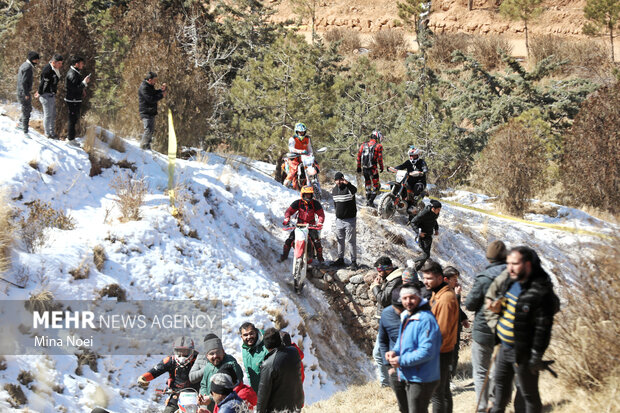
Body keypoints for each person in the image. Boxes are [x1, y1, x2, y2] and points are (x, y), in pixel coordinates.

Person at [487, 247, 560, 413]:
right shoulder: (512, 281)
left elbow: (543, 329)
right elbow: (511, 310)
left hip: (523, 352)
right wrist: (498, 308)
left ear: (527, 265)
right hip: (504, 348)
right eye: (508, 263)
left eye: (515, 264)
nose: (510, 268)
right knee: (499, 393)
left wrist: (535, 356)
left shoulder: (540, 290)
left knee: (529, 397)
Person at [464, 240, 507, 413]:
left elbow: (470, 304)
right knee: (500, 370)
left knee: (481, 371)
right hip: (507, 330)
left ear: (489, 258)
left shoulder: (484, 277)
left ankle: (482, 408)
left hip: (484, 331)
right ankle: (497, 405)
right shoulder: (516, 276)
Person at [385, 283, 442, 413]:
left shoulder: (426, 319)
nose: (408, 301)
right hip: (411, 374)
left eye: (412, 297)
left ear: (419, 297)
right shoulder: (407, 316)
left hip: (423, 376)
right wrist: (394, 351)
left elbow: (426, 351)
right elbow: (402, 341)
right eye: (404, 298)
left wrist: (401, 360)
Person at [421, 260, 459, 413]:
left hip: (439, 352)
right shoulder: (437, 294)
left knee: (437, 394)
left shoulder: (445, 299)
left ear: (439, 278)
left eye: (429, 278)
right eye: (424, 278)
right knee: (443, 391)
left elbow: (441, 332)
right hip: (439, 351)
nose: (425, 282)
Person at [137, 336, 199, 413]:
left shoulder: (200, 359)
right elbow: (156, 370)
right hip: (176, 394)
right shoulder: (170, 360)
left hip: (198, 395)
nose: (182, 354)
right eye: (179, 351)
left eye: (185, 351)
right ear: (175, 351)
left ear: (192, 351)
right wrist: (143, 377)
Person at [370, 256, 404, 387]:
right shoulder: (390, 279)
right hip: (387, 320)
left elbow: (383, 299)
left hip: (392, 321)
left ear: (386, 269)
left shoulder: (395, 280)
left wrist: (375, 287)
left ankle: (389, 383)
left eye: (380, 270)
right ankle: (388, 382)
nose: (378, 273)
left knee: (381, 353)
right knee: (381, 353)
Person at [256, 328, 304, 413]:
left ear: (266, 345)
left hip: (278, 409)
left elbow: (263, 394)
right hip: (296, 405)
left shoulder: (268, 364)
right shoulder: (294, 352)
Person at [443, 265, 470, 407]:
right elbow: (452, 308)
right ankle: (447, 381)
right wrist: (458, 296)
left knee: (455, 354)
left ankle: (450, 379)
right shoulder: (442, 290)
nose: (457, 282)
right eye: (454, 280)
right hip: (447, 329)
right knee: (449, 355)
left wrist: (464, 318)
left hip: (455, 328)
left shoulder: (452, 289)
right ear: (446, 279)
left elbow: (457, 309)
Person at [379, 286, 407, 413]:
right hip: (395, 367)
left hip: (416, 365)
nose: (401, 312)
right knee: (403, 406)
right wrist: (388, 367)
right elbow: (383, 340)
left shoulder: (418, 314)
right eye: (398, 308)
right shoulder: (386, 314)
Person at [198, 334, 244, 411]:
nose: (215, 356)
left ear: (223, 352)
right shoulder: (208, 366)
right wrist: (203, 396)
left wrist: (210, 398)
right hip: (211, 408)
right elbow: (203, 385)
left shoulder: (231, 366)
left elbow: (236, 389)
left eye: (218, 352)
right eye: (211, 353)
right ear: (207, 356)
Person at [280, 186, 325, 265]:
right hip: (299, 226)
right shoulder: (298, 203)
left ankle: (320, 258)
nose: (308, 196)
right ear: (302, 194)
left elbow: (321, 214)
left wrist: (320, 222)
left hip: (311, 226)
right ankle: (284, 256)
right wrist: (287, 218)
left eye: (309, 195)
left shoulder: (315, 203)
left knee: (316, 241)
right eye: (306, 194)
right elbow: (289, 211)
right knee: (289, 240)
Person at [331, 172, 358, 269]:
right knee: (340, 240)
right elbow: (335, 204)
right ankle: (340, 259)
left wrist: (348, 184)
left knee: (351, 241)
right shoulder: (334, 190)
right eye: (337, 180)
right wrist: (337, 215)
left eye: (340, 180)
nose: (338, 182)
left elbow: (355, 190)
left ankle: (353, 262)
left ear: (343, 179)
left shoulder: (348, 188)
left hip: (350, 220)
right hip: (339, 220)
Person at [64, 56, 91, 144]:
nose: (83, 65)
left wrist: (83, 88)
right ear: (76, 64)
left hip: (75, 100)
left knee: (74, 119)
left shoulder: (76, 73)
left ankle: (71, 138)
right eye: (81, 63)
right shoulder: (72, 74)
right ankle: (70, 139)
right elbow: (75, 88)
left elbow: (78, 86)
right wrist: (84, 82)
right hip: (73, 100)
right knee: (72, 120)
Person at [138, 71, 167, 150]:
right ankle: (142, 147)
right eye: (154, 80)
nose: (155, 82)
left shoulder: (150, 86)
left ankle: (147, 147)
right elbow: (150, 99)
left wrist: (161, 90)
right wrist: (161, 96)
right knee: (148, 130)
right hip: (146, 112)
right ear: (150, 80)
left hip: (151, 112)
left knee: (151, 130)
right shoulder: (144, 87)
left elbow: (154, 93)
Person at [410, 200, 442, 271]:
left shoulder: (435, 213)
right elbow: (413, 222)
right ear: (433, 208)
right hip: (422, 236)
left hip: (429, 236)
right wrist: (419, 232)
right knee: (426, 255)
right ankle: (412, 261)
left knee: (426, 256)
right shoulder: (424, 213)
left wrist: (436, 229)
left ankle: (416, 269)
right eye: (438, 209)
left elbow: (434, 220)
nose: (439, 211)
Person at [37, 54, 63, 139]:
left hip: (51, 94)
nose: (61, 65)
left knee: (53, 114)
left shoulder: (55, 70)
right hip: (45, 95)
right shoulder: (47, 70)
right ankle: (47, 133)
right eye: (59, 63)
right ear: (54, 62)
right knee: (48, 115)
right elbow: (43, 83)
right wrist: (40, 92)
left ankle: (52, 132)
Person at [356, 130, 384, 206]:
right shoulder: (379, 146)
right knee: (376, 186)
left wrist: (358, 167)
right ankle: (370, 202)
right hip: (373, 168)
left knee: (367, 184)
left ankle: (368, 201)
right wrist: (381, 167)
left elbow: (358, 156)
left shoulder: (363, 145)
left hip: (364, 168)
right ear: (378, 137)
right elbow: (380, 158)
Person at [239, 322, 269, 392]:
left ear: (256, 332)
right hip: (256, 392)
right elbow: (249, 373)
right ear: (242, 337)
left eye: (251, 333)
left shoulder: (267, 346)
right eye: (245, 335)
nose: (249, 337)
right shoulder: (245, 349)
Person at [283, 122, 314, 189]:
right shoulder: (292, 139)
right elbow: (291, 148)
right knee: (293, 171)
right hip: (295, 158)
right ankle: (285, 185)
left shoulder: (307, 138)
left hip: (305, 158)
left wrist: (311, 154)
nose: (301, 133)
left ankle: (314, 183)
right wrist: (300, 151)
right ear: (296, 132)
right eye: (299, 132)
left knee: (315, 166)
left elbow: (309, 148)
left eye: (303, 132)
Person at [16, 51, 39, 136]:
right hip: (23, 92)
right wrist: (26, 94)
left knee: (27, 109)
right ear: (33, 59)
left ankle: (20, 124)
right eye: (37, 60)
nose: (37, 61)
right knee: (26, 110)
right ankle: (25, 131)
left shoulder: (24, 65)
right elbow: (24, 82)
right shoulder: (28, 68)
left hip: (21, 91)